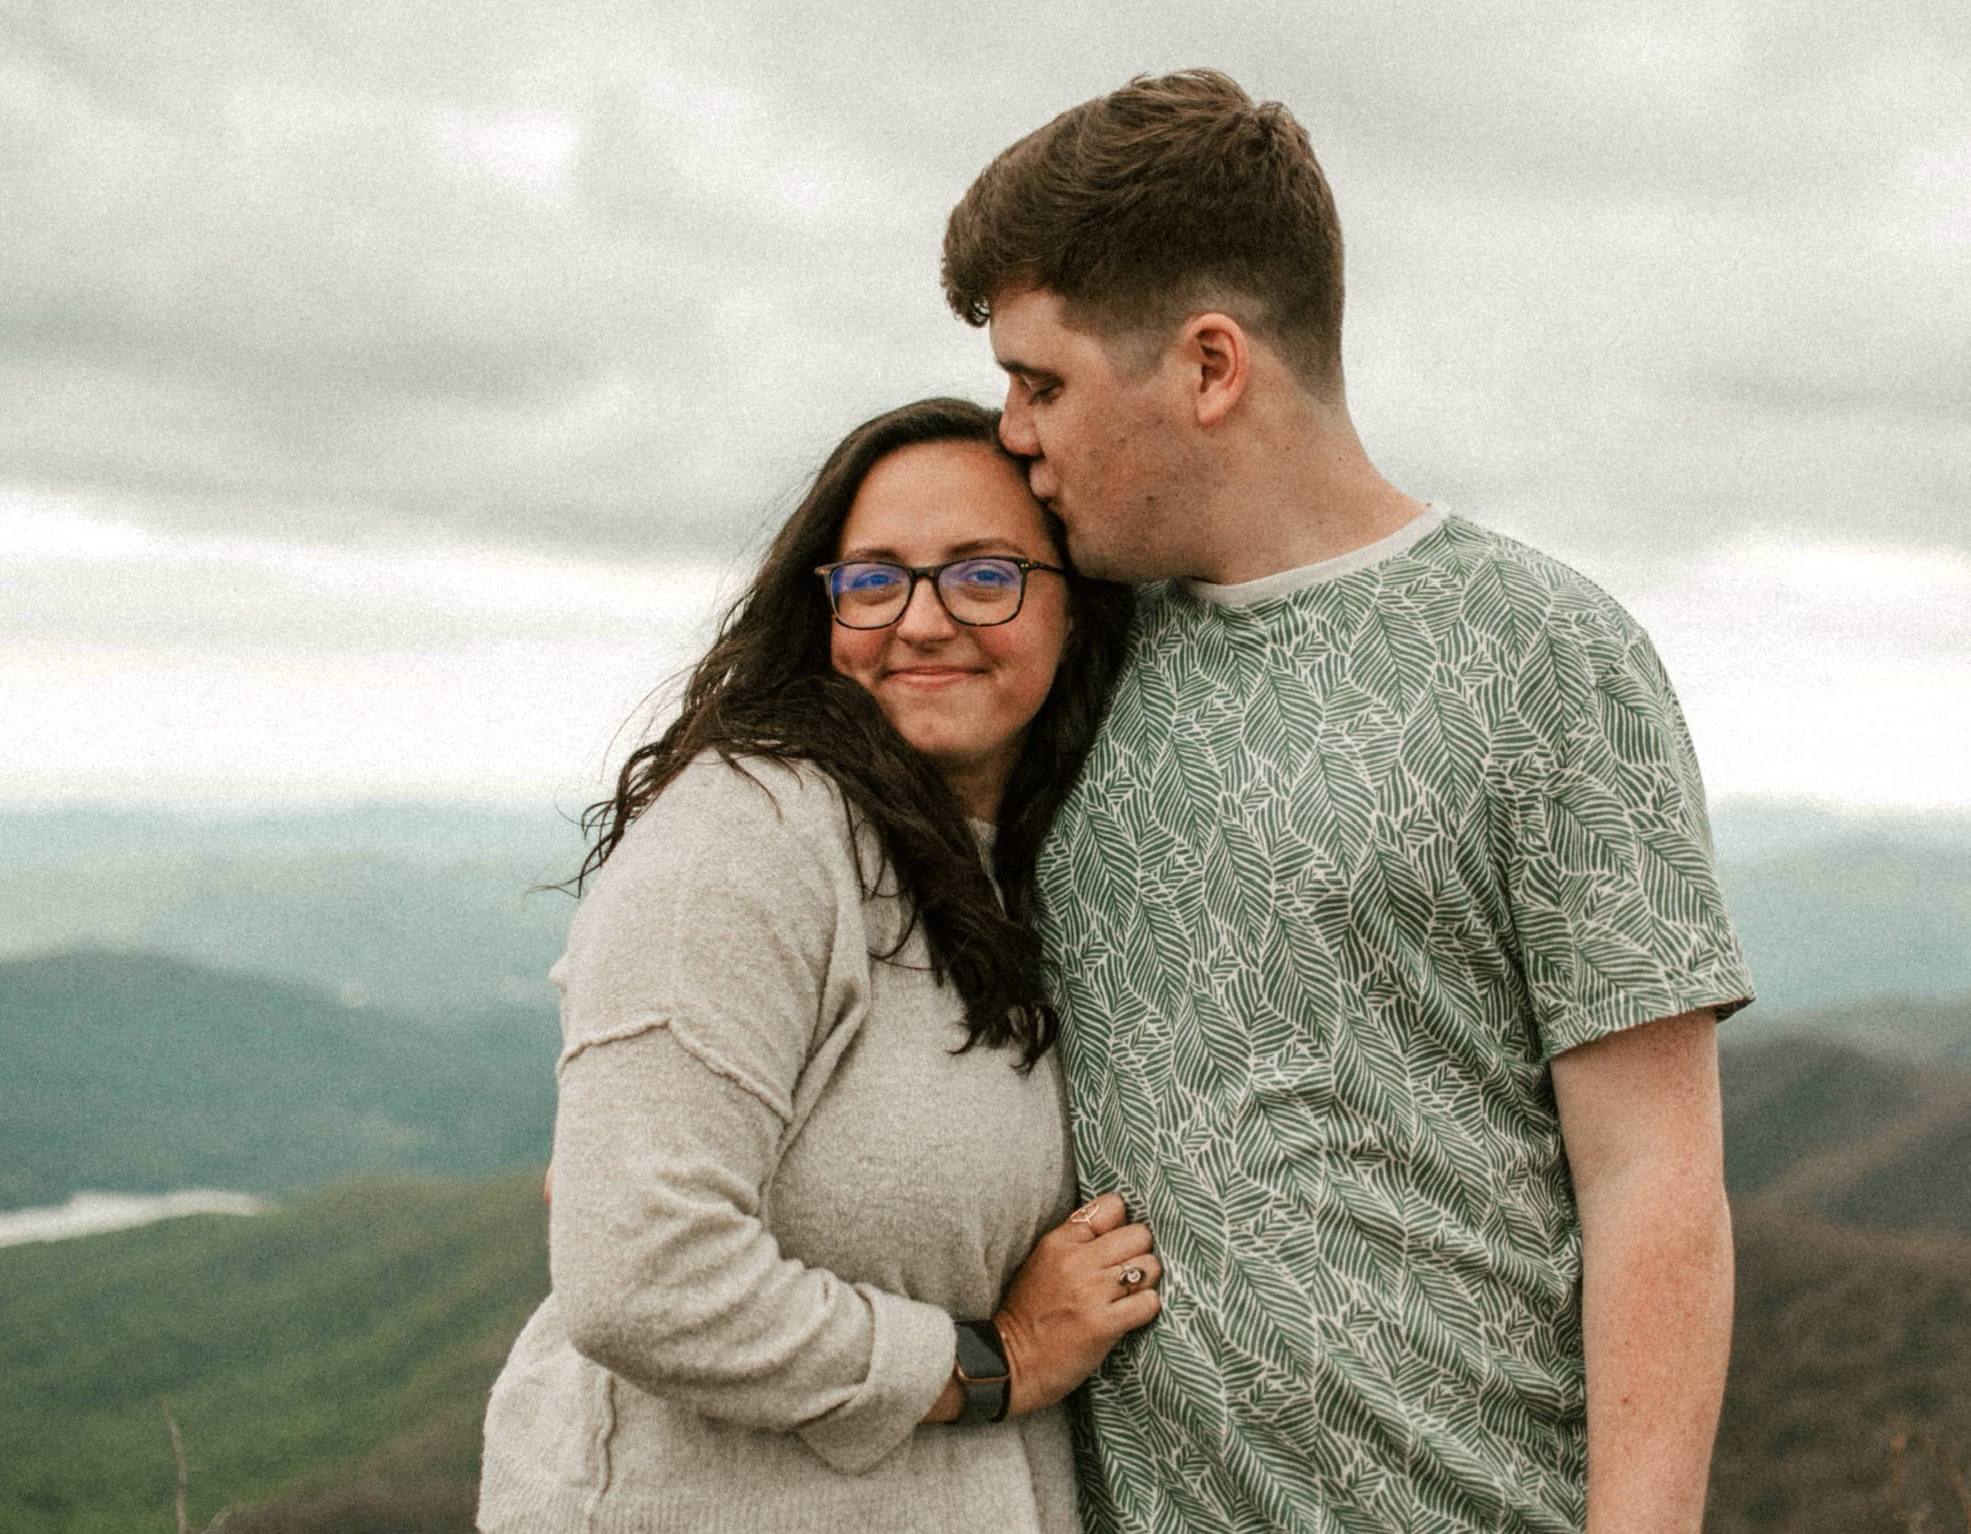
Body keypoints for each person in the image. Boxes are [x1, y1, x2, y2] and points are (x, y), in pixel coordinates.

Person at [941, 72, 1755, 1533]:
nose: (1011, 431)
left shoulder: (1542, 651)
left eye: (1042, 380)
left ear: (1208, 365)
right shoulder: (1066, 660)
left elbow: (1653, 1173)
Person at [478, 397, 1151, 1532]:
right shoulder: (747, 837)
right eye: (875, 579)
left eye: (983, 575)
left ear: (1075, 611)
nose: (924, 621)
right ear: (823, 609)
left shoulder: (1027, 857)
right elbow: (641, 1276)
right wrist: (1003, 1358)